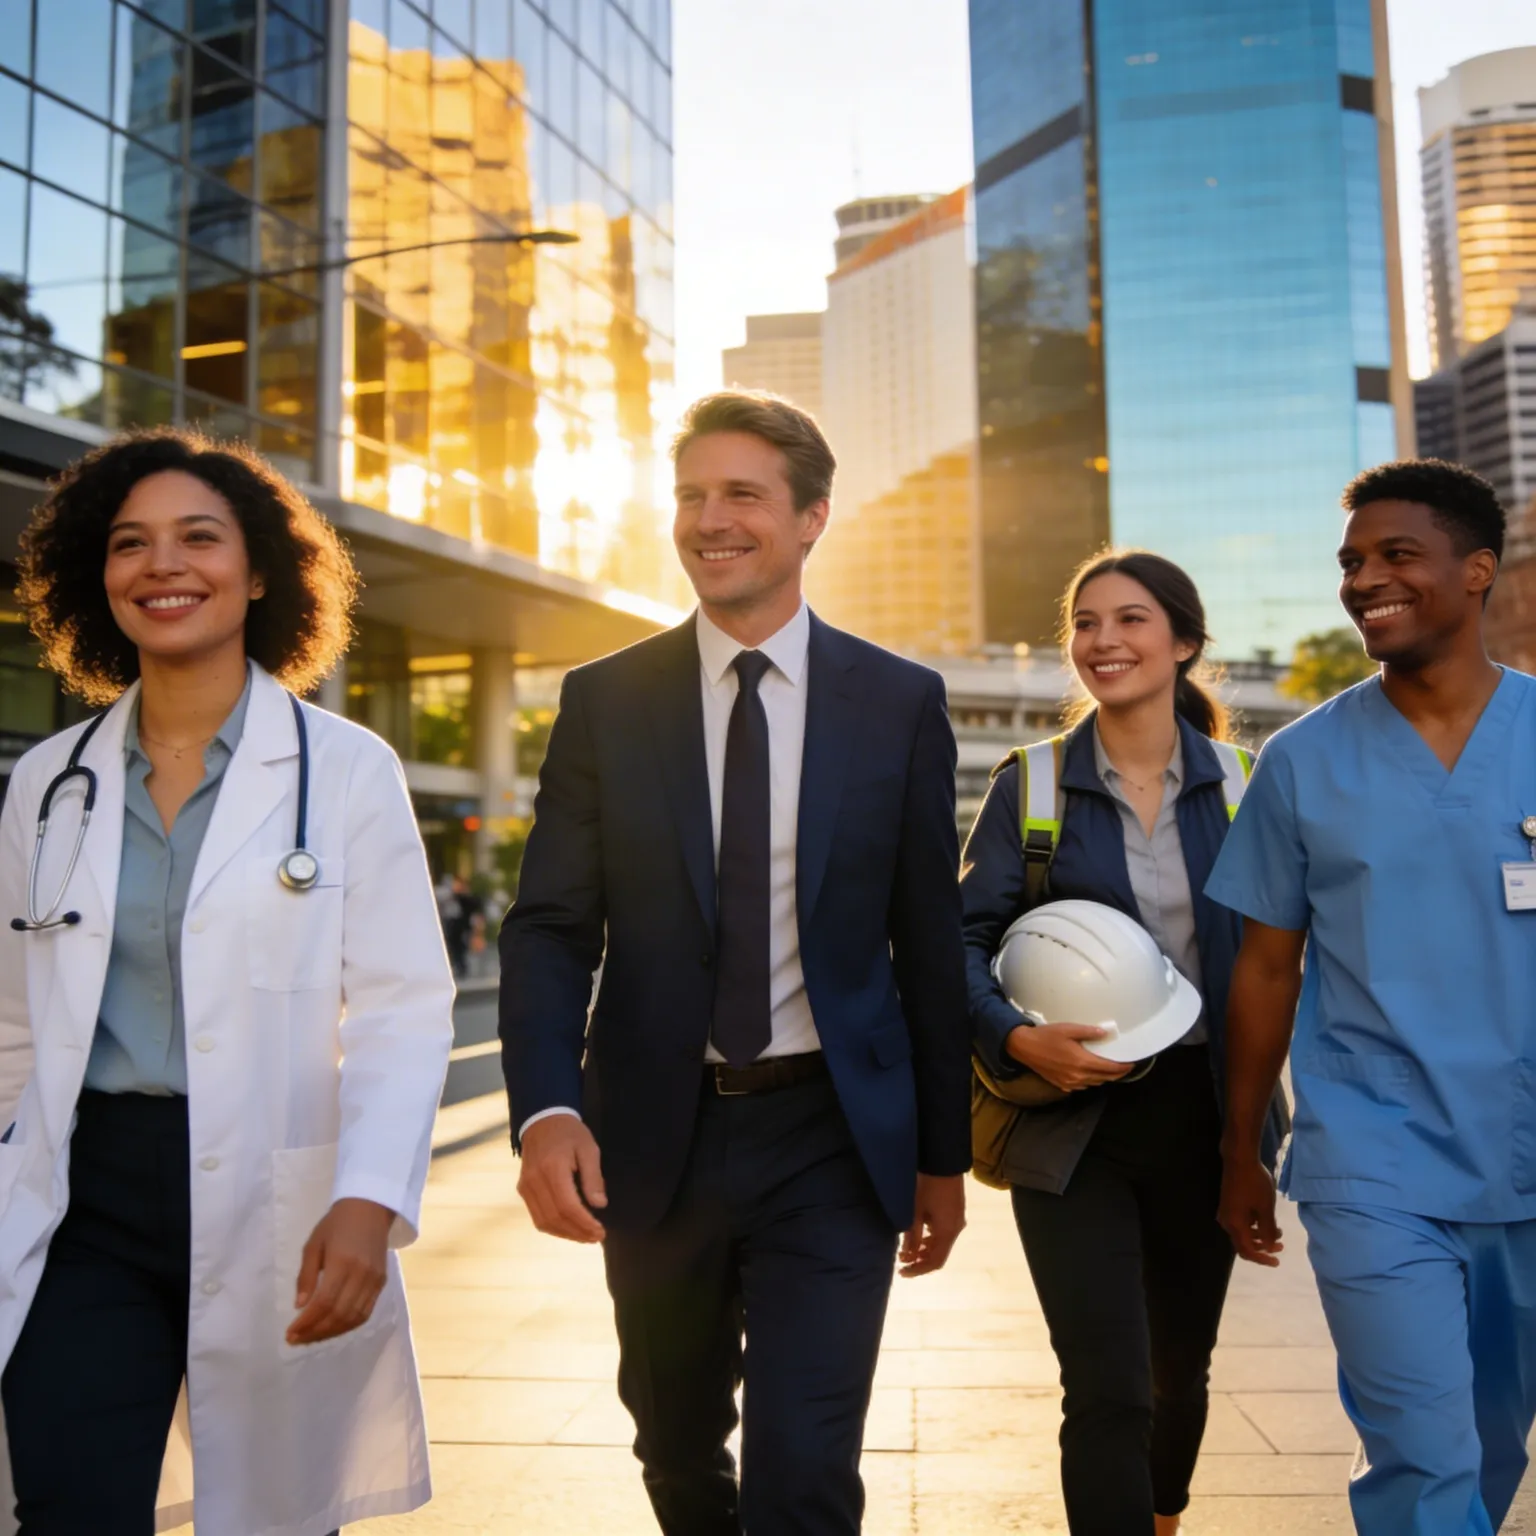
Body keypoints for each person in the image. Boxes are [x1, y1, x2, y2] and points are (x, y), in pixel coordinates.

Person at [498, 390, 971, 1534]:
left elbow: (927, 942)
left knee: (804, 1469)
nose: (710, 519)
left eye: (743, 495)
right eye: (691, 495)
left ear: (812, 518)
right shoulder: (605, 701)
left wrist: (943, 1157)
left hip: (832, 1137)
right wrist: (545, 1111)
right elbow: (551, 926)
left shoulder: (899, 703)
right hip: (653, 1140)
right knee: (674, 1444)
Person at [0, 429, 455, 1535]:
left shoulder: (345, 770)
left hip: (276, 1190)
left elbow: (401, 1005)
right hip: (83, 1198)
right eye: (130, 544)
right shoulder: (48, 784)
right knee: (67, 1503)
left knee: (277, 1515)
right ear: (97, 578)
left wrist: (370, 1197)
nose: (163, 565)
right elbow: (15, 1020)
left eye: (199, 538)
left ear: (258, 574)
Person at [1209, 459, 1536, 1535]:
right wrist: (1243, 1146)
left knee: (1492, 1437)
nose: (1364, 581)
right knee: (1423, 1455)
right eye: (1351, 562)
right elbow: (1266, 967)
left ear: (1477, 570)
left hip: (1525, 1148)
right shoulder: (1302, 761)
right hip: (1373, 1155)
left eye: (1397, 555)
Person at [962, 550, 1288, 1536]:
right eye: (1086, 622)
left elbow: (1287, 957)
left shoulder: (1248, 787)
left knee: (1177, 1370)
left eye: (1131, 619)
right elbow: (955, 941)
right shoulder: (1033, 784)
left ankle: (1163, 1518)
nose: (1103, 641)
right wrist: (1017, 1037)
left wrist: (1255, 1141)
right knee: (1104, 1384)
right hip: (1069, 1122)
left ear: (1184, 642)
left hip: (1207, 1116)